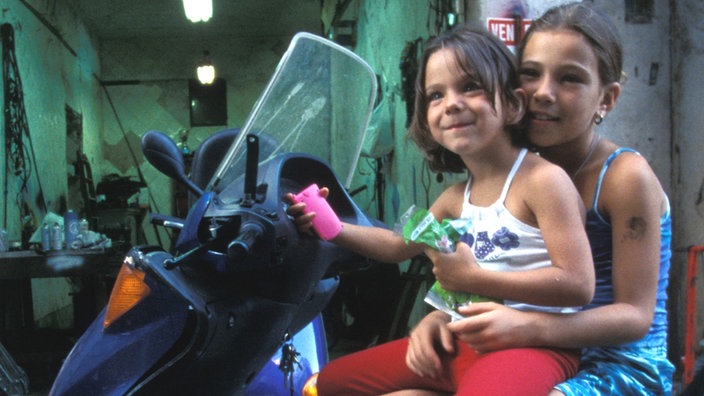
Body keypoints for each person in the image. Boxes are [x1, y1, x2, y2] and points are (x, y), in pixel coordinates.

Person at [287, 24, 594, 395]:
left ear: (513, 105)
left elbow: (578, 285)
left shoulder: (542, 181)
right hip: (462, 343)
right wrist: (333, 226)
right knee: (331, 383)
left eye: (470, 87)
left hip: (532, 347)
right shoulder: (455, 196)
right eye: (435, 94)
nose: (451, 103)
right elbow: (397, 246)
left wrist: (475, 280)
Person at [409, 3, 675, 395]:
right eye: (530, 74)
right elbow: (492, 262)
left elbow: (635, 316)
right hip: (528, 348)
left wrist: (531, 327)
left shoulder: (623, 176)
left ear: (607, 98)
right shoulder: (514, 168)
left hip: (618, 366)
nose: (543, 93)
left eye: (570, 79)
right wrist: (441, 319)